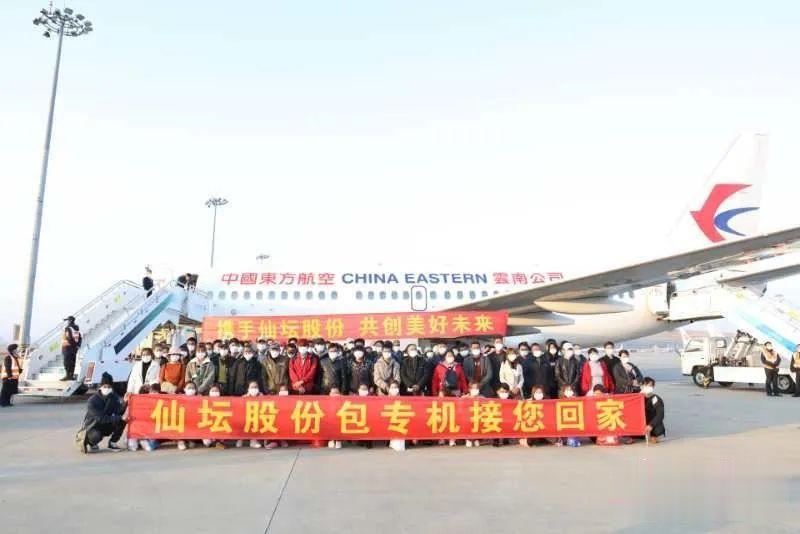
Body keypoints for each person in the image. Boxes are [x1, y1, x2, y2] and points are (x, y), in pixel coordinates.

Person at [78, 372, 126, 453]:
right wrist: (118, 417)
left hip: (106, 424)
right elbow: (100, 418)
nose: (107, 389)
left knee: (122, 420)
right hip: (93, 426)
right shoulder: (92, 401)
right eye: (105, 386)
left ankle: (112, 443)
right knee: (96, 436)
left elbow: (119, 412)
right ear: (101, 387)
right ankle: (91, 443)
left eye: (109, 387)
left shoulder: (114, 398)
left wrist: (125, 403)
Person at [641, 377, 666, 443]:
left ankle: (654, 435)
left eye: (650, 386)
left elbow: (660, 414)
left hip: (652, 423)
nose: (647, 387)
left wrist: (651, 425)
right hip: (641, 423)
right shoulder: (636, 398)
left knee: (657, 431)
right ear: (642, 386)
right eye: (645, 385)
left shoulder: (656, 399)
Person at [177, 384, 199, 451]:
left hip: (194, 420)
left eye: (193, 388)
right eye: (189, 388)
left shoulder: (199, 398)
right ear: (184, 389)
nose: (191, 390)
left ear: (195, 390)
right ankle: (180, 441)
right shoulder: (179, 398)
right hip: (182, 420)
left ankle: (191, 440)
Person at [60, 316, 82, 381]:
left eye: (68, 320)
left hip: (67, 348)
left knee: (66, 362)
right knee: (72, 362)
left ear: (70, 321)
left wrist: (69, 345)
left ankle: (67, 376)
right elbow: (79, 338)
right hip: (74, 348)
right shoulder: (76, 328)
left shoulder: (68, 328)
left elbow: (68, 337)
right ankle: (71, 376)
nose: (67, 322)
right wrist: (77, 346)